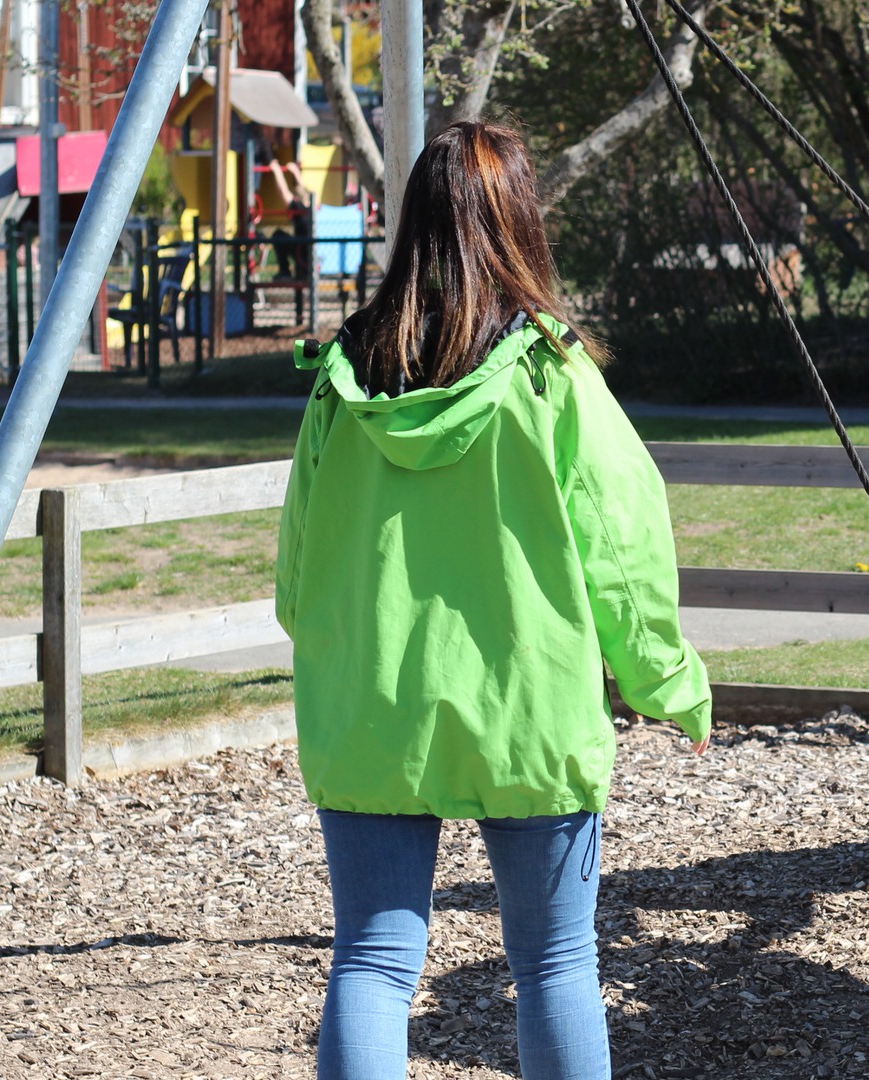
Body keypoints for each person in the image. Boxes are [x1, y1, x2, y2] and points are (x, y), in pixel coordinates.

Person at [275, 120, 713, 1080]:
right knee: (555, 964)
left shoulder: (346, 378)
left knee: (374, 963)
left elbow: (297, 571)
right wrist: (669, 681)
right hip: (531, 709)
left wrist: (337, 652)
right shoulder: (554, 378)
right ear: (521, 222)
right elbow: (625, 548)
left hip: (374, 710)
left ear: (413, 223)